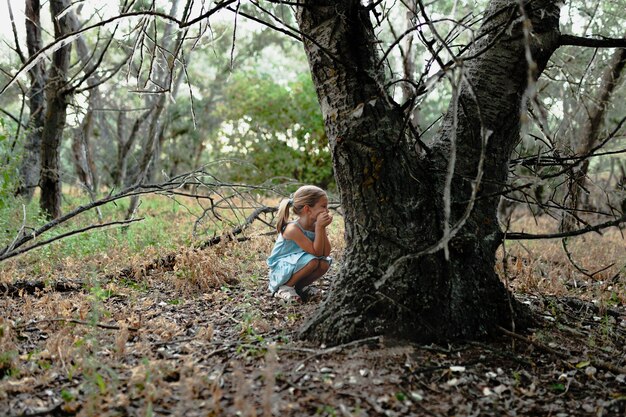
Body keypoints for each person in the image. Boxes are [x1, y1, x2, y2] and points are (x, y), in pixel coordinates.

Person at [267, 185, 333, 302]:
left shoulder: (316, 226)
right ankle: (284, 288)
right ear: (307, 209)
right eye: (323, 206)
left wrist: (321, 228)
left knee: (324, 263)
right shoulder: (292, 229)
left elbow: (325, 253)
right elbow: (316, 253)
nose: (327, 211)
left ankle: (300, 288)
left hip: (298, 263)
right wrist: (319, 227)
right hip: (281, 269)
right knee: (313, 261)